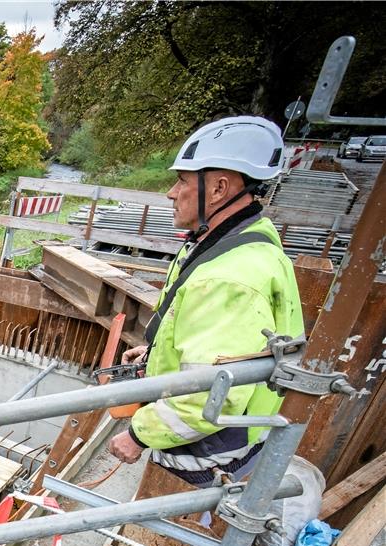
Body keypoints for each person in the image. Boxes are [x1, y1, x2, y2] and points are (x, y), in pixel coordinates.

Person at [107, 116, 304, 487]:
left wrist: (138, 436)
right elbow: (210, 338)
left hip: (210, 454)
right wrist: (155, 353)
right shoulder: (237, 239)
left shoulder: (229, 277)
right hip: (221, 437)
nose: (170, 192)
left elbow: (209, 394)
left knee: (167, 531)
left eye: (182, 181)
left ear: (218, 189)